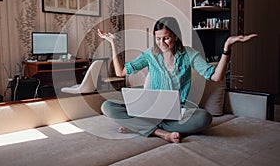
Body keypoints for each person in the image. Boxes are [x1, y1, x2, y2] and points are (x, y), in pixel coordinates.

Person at [97, 16, 257, 143]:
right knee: (107, 106)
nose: (161, 43)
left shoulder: (189, 54)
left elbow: (216, 76)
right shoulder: (149, 55)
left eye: (166, 38)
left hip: (177, 112)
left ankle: (138, 126)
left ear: (175, 36)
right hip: (151, 109)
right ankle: (161, 133)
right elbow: (120, 72)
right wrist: (113, 43)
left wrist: (226, 47)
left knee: (204, 118)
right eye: (158, 39)